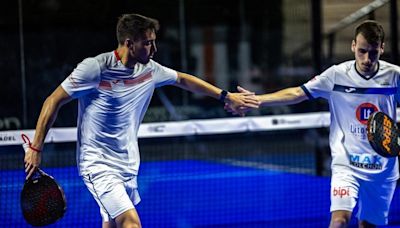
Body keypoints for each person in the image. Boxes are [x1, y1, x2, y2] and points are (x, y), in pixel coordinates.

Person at [23, 13, 259, 228]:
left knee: (112, 224)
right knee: (131, 223)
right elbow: (52, 101)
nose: (154, 48)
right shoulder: (95, 69)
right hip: (97, 164)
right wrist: (36, 147)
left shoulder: (150, 70)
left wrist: (226, 96)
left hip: (128, 163)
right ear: (129, 43)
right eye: (148, 43)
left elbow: (184, 80)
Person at [232, 20, 399, 227]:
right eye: (362, 51)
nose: (366, 59)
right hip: (347, 166)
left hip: (383, 169)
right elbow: (297, 92)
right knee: (339, 221)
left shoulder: (394, 76)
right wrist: (258, 100)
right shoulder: (336, 75)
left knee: (368, 225)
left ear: (382, 48)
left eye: (373, 52)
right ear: (353, 46)